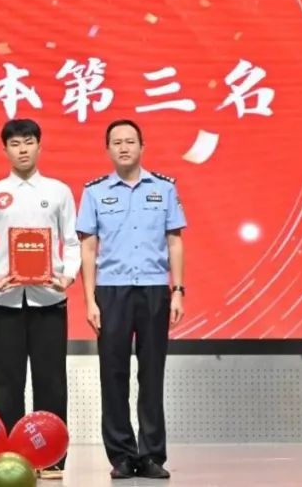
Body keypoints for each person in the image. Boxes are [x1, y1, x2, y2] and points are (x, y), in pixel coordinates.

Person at [0, 119, 79, 480]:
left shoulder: (58, 191)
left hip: (50, 300)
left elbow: (72, 242)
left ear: (39, 146)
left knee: (51, 382)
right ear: (5, 150)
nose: (23, 150)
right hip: (6, 302)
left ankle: (52, 458)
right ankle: (10, 457)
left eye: (28, 142)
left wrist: (68, 275)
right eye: (15, 144)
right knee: (6, 383)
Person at [77, 120, 186, 480]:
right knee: (114, 374)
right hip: (112, 291)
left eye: (130, 141)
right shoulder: (94, 192)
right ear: (107, 149)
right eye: (116, 142)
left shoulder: (164, 188)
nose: (123, 147)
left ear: (142, 146)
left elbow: (175, 241)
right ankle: (122, 455)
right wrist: (90, 300)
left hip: (154, 289)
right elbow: (88, 249)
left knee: (152, 373)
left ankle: (152, 454)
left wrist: (178, 290)